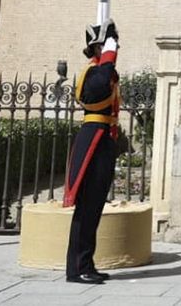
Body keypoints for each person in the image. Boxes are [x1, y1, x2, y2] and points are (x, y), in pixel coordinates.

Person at [63, 21, 120, 284]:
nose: (114, 46)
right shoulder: (93, 71)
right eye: (109, 42)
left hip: (105, 138)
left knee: (95, 206)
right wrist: (108, 57)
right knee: (86, 207)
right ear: (97, 46)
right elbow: (95, 93)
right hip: (93, 137)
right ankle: (77, 267)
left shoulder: (105, 69)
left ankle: (86, 261)